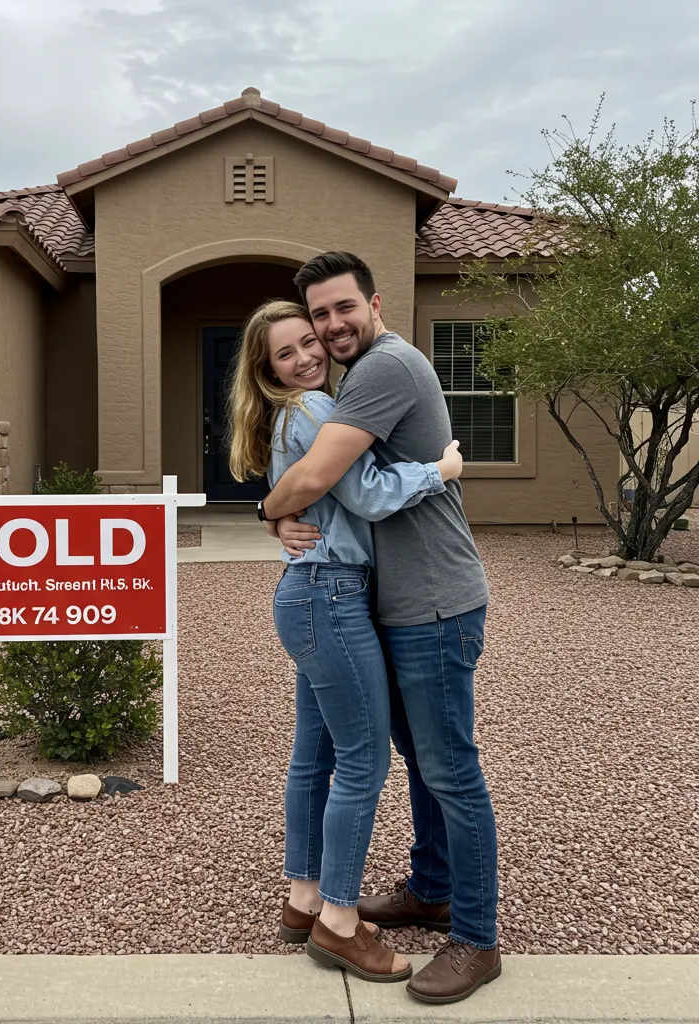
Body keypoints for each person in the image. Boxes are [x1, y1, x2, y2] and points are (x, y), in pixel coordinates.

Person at [258, 253, 500, 1006]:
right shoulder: (331, 389)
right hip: (390, 600)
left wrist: (271, 510)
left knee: (450, 767)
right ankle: (431, 890)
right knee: (421, 760)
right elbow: (311, 484)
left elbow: (329, 485)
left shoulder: (383, 370)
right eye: (318, 316)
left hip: (433, 599)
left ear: (374, 302)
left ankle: (478, 938)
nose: (329, 329)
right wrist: (277, 511)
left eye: (340, 310)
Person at [227, 299, 464, 984]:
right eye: (286, 352)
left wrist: (270, 514)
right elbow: (367, 496)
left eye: (309, 343)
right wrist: (441, 471)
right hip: (330, 597)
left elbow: (312, 494)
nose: (306, 357)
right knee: (362, 761)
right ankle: (336, 923)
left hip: (309, 595)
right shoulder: (313, 411)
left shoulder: (291, 415)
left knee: (315, 757)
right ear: (264, 367)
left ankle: (302, 899)